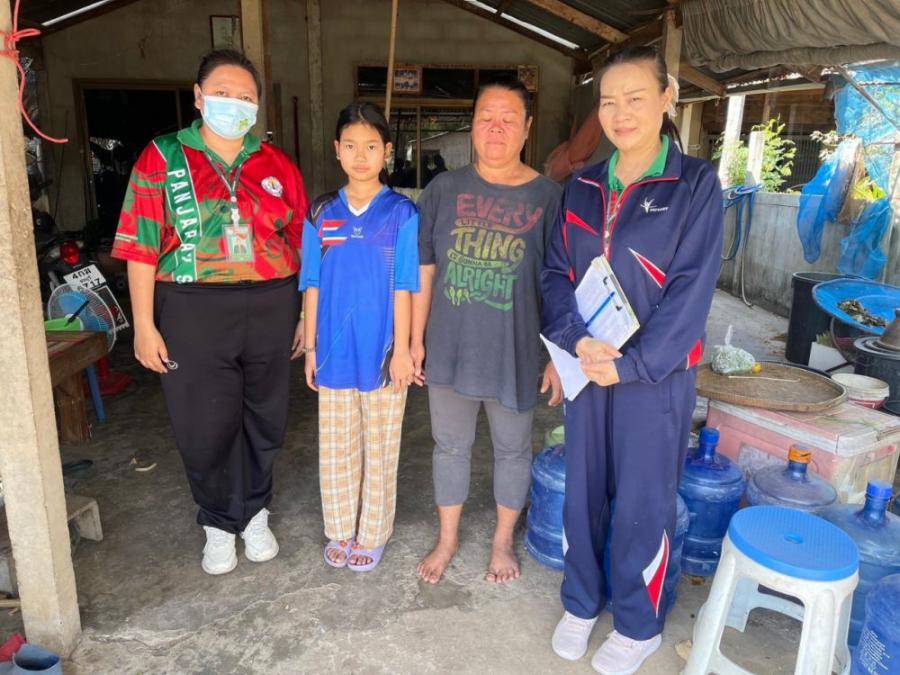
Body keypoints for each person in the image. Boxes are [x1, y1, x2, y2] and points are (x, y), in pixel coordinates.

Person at [541, 47, 724, 674]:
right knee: (583, 489)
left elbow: (692, 290)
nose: (621, 113)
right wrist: (575, 339)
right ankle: (580, 601)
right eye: (608, 102)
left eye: (636, 98)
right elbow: (555, 273)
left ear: (667, 97)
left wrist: (635, 364)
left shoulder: (695, 184)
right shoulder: (583, 186)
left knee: (646, 498)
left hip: (656, 377)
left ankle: (639, 623)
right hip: (588, 366)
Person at [111, 49, 308, 575]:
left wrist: (303, 315)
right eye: (222, 93)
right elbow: (140, 245)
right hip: (192, 307)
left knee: (264, 416)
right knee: (205, 422)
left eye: (245, 97)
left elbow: (302, 242)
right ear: (198, 97)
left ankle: (255, 512)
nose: (234, 104)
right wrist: (144, 324)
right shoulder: (163, 157)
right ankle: (219, 522)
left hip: (271, 302)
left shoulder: (276, 164)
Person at [413, 78, 563, 585]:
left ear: (527, 128)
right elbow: (425, 270)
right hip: (450, 347)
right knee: (449, 446)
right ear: (472, 126)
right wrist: (415, 341)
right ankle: (448, 539)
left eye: (508, 118)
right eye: (485, 118)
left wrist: (557, 356)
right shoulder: (443, 190)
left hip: (514, 353)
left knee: (513, 449)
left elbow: (562, 284)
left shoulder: (550, 198)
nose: (496, 128)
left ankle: (501, 542)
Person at [300, 102, 419, 572]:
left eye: (371, 146)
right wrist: (310, 348)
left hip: (382, 350)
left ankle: (372, 534)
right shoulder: (321, 212)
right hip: (333, 349)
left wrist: (403, 350)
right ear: (337, 150)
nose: (360, 155)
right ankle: (340, 530)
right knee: (337, 447)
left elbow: (406, 284)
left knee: (381, 446)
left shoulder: (402, 213)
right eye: (350, 146)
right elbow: (312, 283)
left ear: (387, 151)